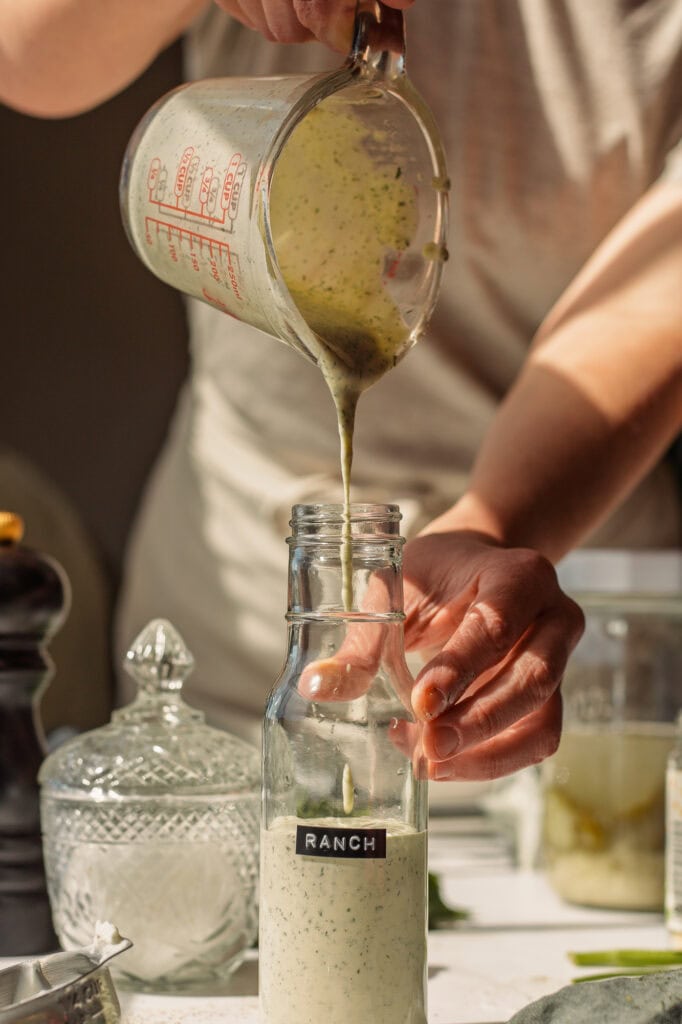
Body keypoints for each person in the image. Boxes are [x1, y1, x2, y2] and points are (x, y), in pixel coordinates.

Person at [1, 0, 680, 781]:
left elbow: (658, 284)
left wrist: (498, 527)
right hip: (236, 613)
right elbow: (27, 53)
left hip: (556, 646)